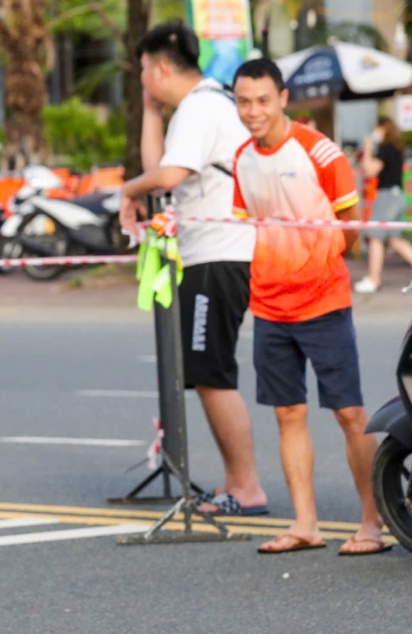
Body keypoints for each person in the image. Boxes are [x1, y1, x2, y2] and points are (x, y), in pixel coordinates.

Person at [229, 59, 389, 556]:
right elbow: (246, 223)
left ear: (282, 98)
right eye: (243, 102)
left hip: (323, 301)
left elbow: (352, 224)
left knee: (349, 413)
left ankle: (372, 524)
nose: (253, 111)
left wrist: (311, 259)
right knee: (287, 414)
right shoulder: (241, 157)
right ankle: (305, 525)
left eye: (262, 100)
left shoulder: (320, 152)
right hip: (269, 306)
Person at [119, 21, 268, 517]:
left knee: (212, 371)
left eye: (143, 72)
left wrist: (126, 191)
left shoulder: (203, 107)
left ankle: (244, 487)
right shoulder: (196, 106)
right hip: (209, 255)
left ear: (160, 67)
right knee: (207, 370)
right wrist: (149, 109)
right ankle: (238, 483)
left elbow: (167, 176)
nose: (143, 79)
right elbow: (160, 165)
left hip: (220, 255)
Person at [353, 117, 412, 294]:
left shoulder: (385, 149)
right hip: (397, 195)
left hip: (386, 197)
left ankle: (374, 279)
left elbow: (370, 170)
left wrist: (368, 149)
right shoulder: (396, 149)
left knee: (375, 236)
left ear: (383, 128)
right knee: (394, 238)